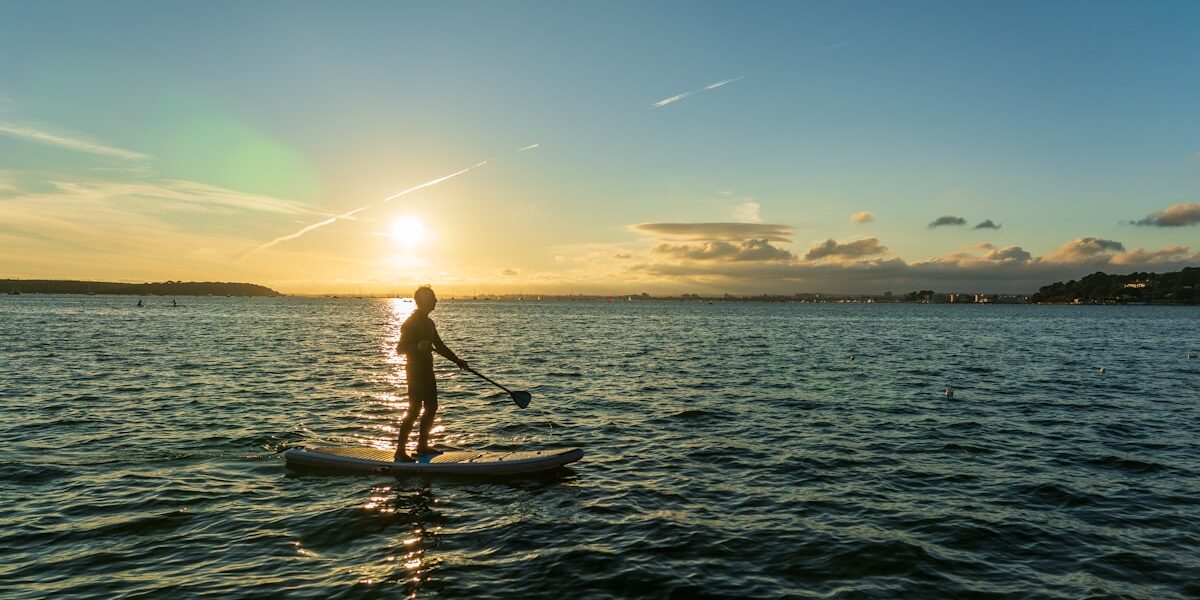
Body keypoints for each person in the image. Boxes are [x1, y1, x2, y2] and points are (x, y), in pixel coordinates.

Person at [394, 285, 468, 462]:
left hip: (427, 370)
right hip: (414, 372)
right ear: (424, 301)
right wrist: (416, 347)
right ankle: (400, 452)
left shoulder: (429, 323)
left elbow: (440, 346)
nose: (436, 301)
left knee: (432, 407)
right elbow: (400, 349)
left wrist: (458, 361)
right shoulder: (410, 323)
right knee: (414, 410)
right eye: (433, 298)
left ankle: (422, 446)